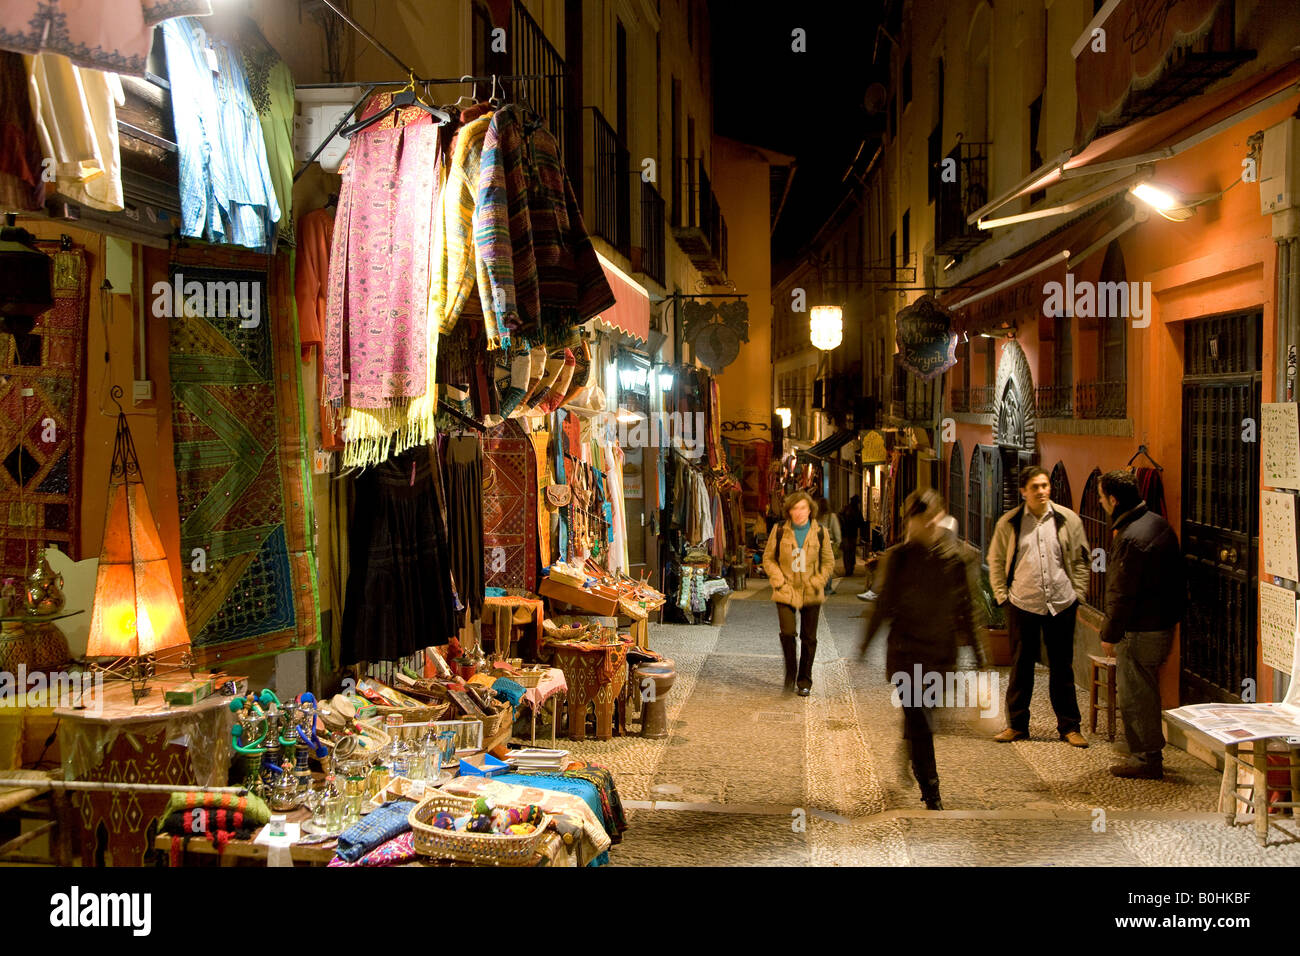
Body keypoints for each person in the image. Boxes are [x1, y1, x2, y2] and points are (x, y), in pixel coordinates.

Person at [861, 489, 977, 810]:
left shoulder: (954, 559)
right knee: (921, 718)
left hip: (941, 654)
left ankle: (910, 750)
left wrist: (979, 655)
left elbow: (966, 606)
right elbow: (883, 604)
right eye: (918, 520)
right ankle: (932, 789)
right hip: (906, 652)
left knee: (925, 717)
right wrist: (864, 644)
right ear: (910, 522)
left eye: (930, 519)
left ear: (938, 519)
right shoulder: (898, 557)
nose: (924, 525)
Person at [988, 465, 1091, 747]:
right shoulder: (1009, 523)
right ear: (1024, 491)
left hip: (1060, 602)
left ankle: (1070, 727)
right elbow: (996, 561)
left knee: (1062, 667)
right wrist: (1002, 595)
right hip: (1023, 602)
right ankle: (1017, 725)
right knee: (1021, 667)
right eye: (1035, 487)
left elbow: (1082, 559)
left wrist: (1078, 594)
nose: (1042, 491)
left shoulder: (1067, 520)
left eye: (1045, 485)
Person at [1098, 469, 1186, 780]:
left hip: (1141, 630)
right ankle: (1146, 753)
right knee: (1144, 689)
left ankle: (1146, 758)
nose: (1100, 503)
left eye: (1101, 497)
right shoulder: (1157, 524)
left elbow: (1122, 593)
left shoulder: (1132, 538)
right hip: (1160, 624)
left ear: (1113, 499)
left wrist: (1109, 633)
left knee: (1136, 693)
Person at [761, 491, 836, 697]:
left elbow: (829, 562)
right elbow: (768, 559)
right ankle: (790, 674)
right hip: (786, 590)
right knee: (787, 633)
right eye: (795, 508)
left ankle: (805, 680)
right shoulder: (779, 530)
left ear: (810, 510)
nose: (799, 512)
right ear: (789, 511)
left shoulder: (821, 532)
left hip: (811, 591)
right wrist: (778, 580)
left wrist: (818, 581)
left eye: (803, 508)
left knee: (809, 638)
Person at [815, 497, 842, 595]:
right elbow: (837, 533)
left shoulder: (814, 517)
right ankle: (827, 587)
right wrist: (837, 543)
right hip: (828, 544)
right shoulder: (832, 517)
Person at [839, 494, 865, 578]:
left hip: (846, 534)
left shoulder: (846, 509)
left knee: (847, 552)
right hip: (851, 534)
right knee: (851, 551)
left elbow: (840, 518)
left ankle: (848, 568)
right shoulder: (855, 510)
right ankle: (850, 568)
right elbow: (861, 523)